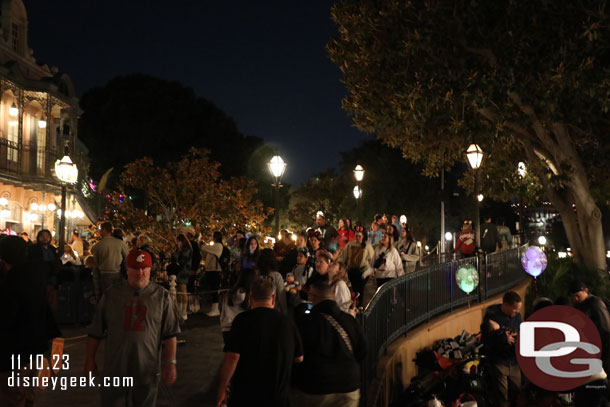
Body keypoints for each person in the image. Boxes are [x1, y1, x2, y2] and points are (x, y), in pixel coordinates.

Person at [85, 249, 180, 407]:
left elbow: (170, 334)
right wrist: (89, 360)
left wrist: (171, 362)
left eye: (144, 268)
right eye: (135, 268)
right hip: (115, 368)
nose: (140, 272)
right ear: (127, 269)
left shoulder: (161, 296)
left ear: (150, 269)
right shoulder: (111, 295)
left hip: (146, 369)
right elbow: (95, 332)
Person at [216, 276, 303, 407]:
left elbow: (232, 357)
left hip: (246, 395)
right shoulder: (287, 322)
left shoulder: (241, 321)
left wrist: (222, 388)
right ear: (273, 298)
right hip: (277, 396)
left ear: (250, 299)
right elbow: (299, 358)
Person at [0, 236, 61, 407]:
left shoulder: (12, 281)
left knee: (12, 394)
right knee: (27, 390)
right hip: (35, 345)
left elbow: (7, 317)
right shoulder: (32, 274)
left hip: (14, 350)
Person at [292, 279, 366, 407]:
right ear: (332, 297)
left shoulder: (306, 322)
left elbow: (297, 353)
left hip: (316, 386)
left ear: (312, 297)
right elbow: (363, 350)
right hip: (348, 385)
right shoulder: (349, 320)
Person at [481, 290, 523, 407]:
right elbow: (487, 340)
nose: (517, 312)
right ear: (506, 305)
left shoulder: (517, 317)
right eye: (515, 308)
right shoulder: (492, 316)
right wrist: (503, 338)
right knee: (502, 395)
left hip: (513, 360)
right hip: (499, 361)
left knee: (517, 391)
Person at [569, 280, 610, 375]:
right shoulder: (579, 306)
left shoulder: (595, 303)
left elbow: (605, 327)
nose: (576, 299)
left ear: (586, 291)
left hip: (604, 346)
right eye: (573, 297)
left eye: (577, 295)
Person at [91, 222, 129, 301]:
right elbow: (127, 257)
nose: (99, 231)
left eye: (100, 229)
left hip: (104, 274)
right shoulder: (120, 243)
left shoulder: (97, 246)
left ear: (104, 230)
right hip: (117, 273)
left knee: (106, 297)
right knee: (117, 297)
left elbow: (95, 262)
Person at [219, 268, 257, 347]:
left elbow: (222, 312)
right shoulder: (250, 296)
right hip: (242, 330)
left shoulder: (229, 293)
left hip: (227, 329)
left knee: (231, 355)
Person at [337, 227, 374, 299]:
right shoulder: (350, 245)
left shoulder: (367, 246)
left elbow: (372, 260)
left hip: (362, 272)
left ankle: (360, 306)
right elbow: (343, 256)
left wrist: (369, 271)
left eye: (359, 236)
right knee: (353, 290)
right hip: (351, 271)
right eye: (356, 236)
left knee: (360, 290)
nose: (357, 238)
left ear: (363, 237)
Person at [257, 248, 288, 315]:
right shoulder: (277, 276)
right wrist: (285, 313)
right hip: (273, 311)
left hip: (257, 310)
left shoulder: (255, 275)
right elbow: (281, 297)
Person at [201, 231, 225, 317]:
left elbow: (204, 248)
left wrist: (204, 246)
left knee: (214, 288)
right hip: (210, 269)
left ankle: (215, 309)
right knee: (211, 288)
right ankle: (213, 308)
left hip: (215, 270)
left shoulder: (218, 246)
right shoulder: (213, 247)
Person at [169, 234, 192, 320]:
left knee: (183, 290)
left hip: (183, 271)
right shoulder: (180, 249)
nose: (177, 243)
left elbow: (183, 260)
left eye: (178, 241)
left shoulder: (187, 249)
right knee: (178, 291)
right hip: (178, 271)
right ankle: (179, 310)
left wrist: (176, 253)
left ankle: (184, 311)